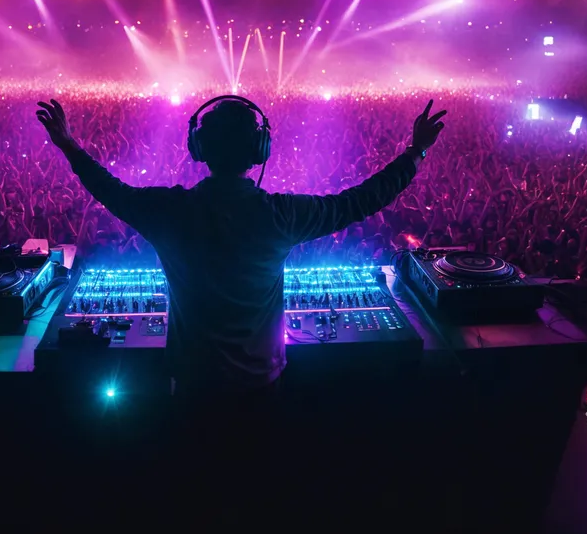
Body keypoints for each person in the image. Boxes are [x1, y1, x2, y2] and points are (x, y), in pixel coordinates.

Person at [35, 96, 447, 396]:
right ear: (259, 151)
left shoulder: (169, 211)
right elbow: (359, 201)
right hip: (259, 385)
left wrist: (68, 143)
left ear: (199, 149)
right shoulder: (279, 215)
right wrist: (416, 152)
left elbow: (109, 189)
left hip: (192, 385)